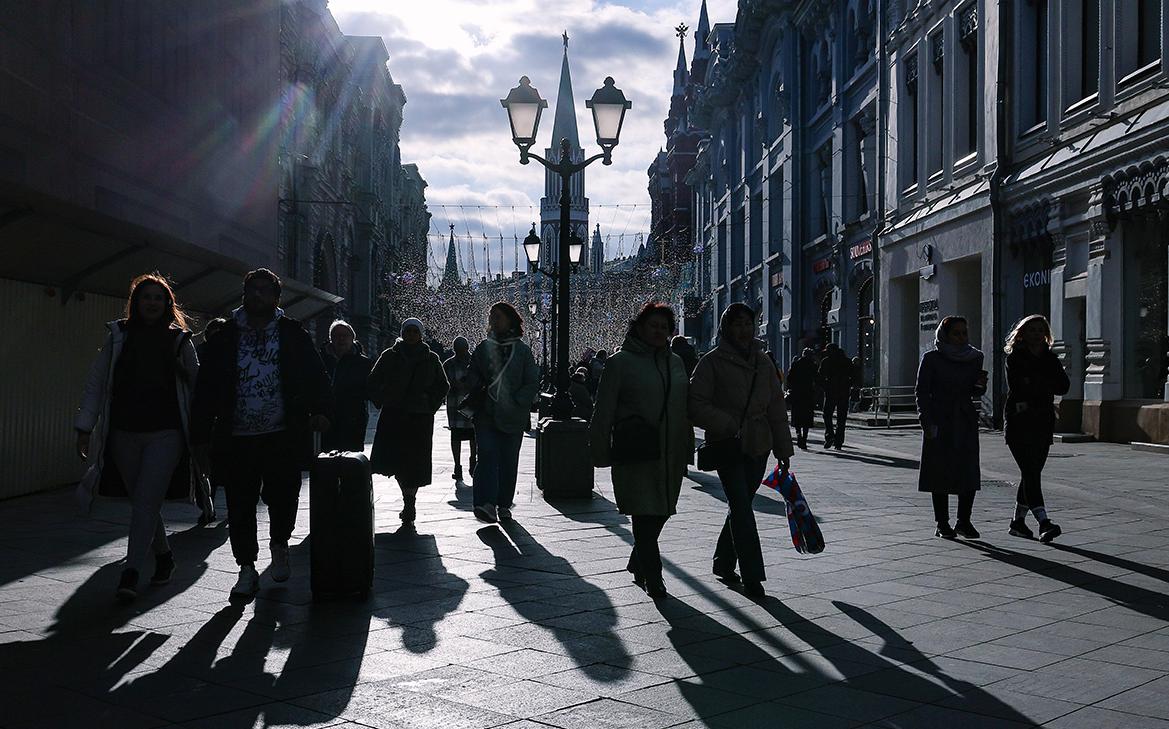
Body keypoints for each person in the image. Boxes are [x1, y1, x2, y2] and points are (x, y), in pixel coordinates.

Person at [190, 268, 331, 598]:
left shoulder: (291, 333)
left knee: (284, 496)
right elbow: (206, 390)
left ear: (276, 298)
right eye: (252, 290)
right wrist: (199, 436)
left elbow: (315, 374)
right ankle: (246, 567)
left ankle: (280, 543)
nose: (257, 296)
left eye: (264, 291)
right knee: (239, 504)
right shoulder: (224, 337)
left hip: (282, 433)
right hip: (236, 435)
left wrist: (322, 410)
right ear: (244, 295)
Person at [75, 273, 201, 602]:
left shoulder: (179, 340)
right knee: (143, 502)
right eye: (146, 297)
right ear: (135, 302)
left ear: (167, 303)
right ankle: (164, 557)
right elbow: (96, 382)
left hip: (166, 432)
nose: (152, 303)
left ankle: (130, 572)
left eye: (158, 298)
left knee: (145, 501)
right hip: (123, 432)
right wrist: (84, 427)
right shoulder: (118, 336)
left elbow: (198, 384)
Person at [689, 303, 794, 598]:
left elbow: (776, 407)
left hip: (759, 444)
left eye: (748, 323)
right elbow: (695, 404)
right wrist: (726, 422)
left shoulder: (764, 363)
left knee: (741, 504)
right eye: (737, 324)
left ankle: (723, 562)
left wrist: (783, 448)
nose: (743, 329)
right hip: (727, 444)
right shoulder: (711, 362)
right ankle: (752, 574)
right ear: (726, 328)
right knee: (741, 506)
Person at [590, 303, 691, 598]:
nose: (659, 331)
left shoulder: (676, 363)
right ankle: (654, 577)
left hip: (670, 452)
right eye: (653, 326)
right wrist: (599, 451)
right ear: (640, 328)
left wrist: (687, 447)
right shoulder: (620, 362)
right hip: (636, 451)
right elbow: (603, 410)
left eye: (665, 327)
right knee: (644, 516)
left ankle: (638, 561)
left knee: (661, 512)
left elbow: (685, 408)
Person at [368, 318, 449, 524]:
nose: (411, 335)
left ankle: (409, 502)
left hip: (419, 418)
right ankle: (407, 499)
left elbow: (443, 385)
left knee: (414, 463)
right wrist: (383, 398)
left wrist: (430, 403)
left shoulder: (431, 358)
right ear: (403, 333)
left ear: (421, 334)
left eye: (415, 331)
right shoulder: (390, 355)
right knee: (395, 461)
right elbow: (373, 380)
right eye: (408, 331)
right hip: (394, 415)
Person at [915, 316, 987, 539]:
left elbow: (975, 391)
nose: (961, 337)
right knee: (939, 471)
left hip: (964, 419)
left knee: (968, 471)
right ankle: (942, 523)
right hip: (940, 419)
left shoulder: (975, 357)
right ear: (945, 335)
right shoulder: (932, 359)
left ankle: (964, 521)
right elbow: (922, 392)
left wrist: (980, 386)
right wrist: (926, 421)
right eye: (956, 333)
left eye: (964, 333)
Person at [467, 302, 540, 523]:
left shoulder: (523, 351)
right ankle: (485, 503)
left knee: (509, 460)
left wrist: (518, 401)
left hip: (513, 415)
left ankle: (504, 503)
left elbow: (531, 381)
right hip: (487, 413)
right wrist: (472, 384)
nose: (493, 320)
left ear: (510, 319)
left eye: (497, 316)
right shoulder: (483, 347)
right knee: (487, 455)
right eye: (491, 316)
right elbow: (473, 373)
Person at [1004, 315, 1070, 543]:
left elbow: (1064, 386)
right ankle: (1044, 522)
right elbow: (1018, 386)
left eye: (1040, 330)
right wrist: (1041, 385)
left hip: (1042, 421)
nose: (1036, 334)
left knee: (1031, 473)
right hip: (1019, 422)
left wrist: (1035, 383)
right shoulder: (1015, 358)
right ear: (1022, 333)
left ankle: (1018, 523)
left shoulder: (1051, 359)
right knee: (1031, 472)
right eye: (1031, 329)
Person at [319, 320, 373, 453]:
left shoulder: (364, 363)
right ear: (330, 339)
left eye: (345, 335)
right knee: (326, 462)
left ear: (352, 339)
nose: (341, 339)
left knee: (350, 462)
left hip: (353, 419)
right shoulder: (320, 360)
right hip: (326, 419)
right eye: (336, 335)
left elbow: (371, 390)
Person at [195, 317, 228, 523]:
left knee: (224, 464)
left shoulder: (232, 354)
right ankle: (207, 505)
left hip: (225, 417)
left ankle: (210, 505)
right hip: (205, 415)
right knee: (204, 463)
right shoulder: (200, 353)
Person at [443, 336, 477, 485]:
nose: (460, 351)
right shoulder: (449, 364)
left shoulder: (475, 362)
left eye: (462, 348)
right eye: (458, 349)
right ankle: (458, 465)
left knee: (473, 435)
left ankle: (472, 461)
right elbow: (446, 383)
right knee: (456, 435)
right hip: (455, 405)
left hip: (470, 403)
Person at [817, 343, 855, 450]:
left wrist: (825, 386)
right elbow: (854, 375)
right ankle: (838, 442)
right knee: (841, 418)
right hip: (843, 392)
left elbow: (820, 376)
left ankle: (830, 435)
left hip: (831, 392)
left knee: (827, 415)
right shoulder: (846, 361)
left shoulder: (826, 361)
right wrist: (848, 385)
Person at [785, 347, 818, 450]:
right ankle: (804, 437)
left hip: (797, 394)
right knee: (807, 417)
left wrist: (790, 388)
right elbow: (817, 378)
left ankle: (798, 434)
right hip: (808, 394)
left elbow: (789, 378)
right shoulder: (812, 365)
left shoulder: (796, 364)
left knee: (797, 416)